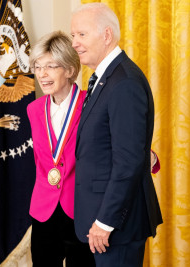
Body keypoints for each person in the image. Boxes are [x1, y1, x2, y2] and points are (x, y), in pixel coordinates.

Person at [71, 3, 163, 267]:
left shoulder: (124, 83)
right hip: (101, 223)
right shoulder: (106, 78)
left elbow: (129, 161)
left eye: (82, 35)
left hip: (115, 227)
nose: (75, 43)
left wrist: (105, 222)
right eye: (73, 35)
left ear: (107, 35)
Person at [27, 31, 95, 267]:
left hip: (81, 212)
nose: (42, 74)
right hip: (44, 211)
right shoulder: (34, 109)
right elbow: (39, 161)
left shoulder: (91, 105)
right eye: (38, 67)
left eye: (51, 66)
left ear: (69, 70)